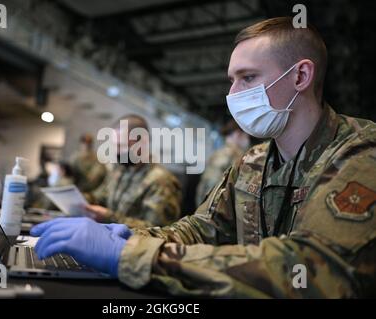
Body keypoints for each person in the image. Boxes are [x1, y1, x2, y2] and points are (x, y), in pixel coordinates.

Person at [30, 17, 375, 298]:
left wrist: (131, 255)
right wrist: (132, 238)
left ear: (300, 76)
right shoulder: (252, 162)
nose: (233, 94)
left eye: (248, 78)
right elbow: (200, 229)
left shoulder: (361, 153)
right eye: (232, 80)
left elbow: (311, 268)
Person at [83, 114, 182, 228]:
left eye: (122, 145)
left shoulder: (161, 181)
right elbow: (101, 197)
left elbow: (157, 230)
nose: (117, 151)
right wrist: (79, 200)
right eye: (115, 145)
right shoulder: (121, 169)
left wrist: (110, 218)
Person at [196, 120, 250, 205]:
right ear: (238, 134)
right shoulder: (227, 156)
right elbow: (210, 187)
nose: (247, 141)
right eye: (246, 136)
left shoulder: (226, 154)